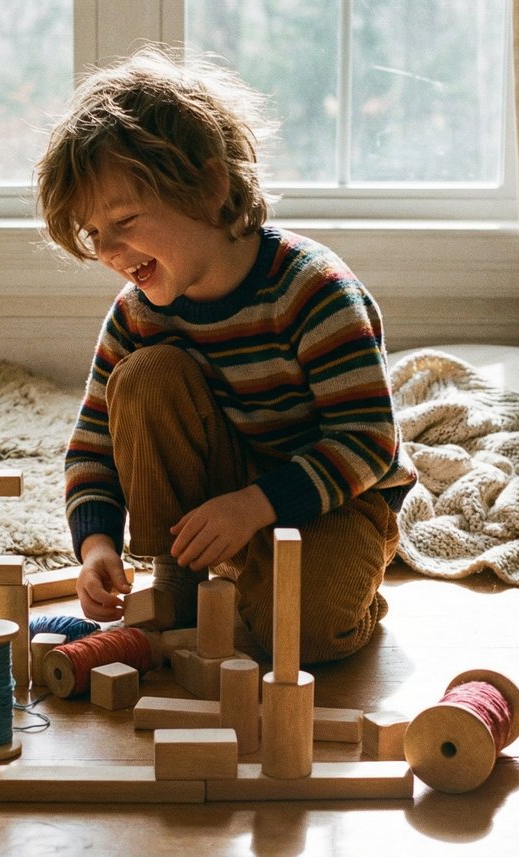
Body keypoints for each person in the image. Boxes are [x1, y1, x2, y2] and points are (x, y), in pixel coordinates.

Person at [34, 47, 417, 665]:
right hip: (224, 489)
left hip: (336, 501)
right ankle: (178, 576)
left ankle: (339, 594)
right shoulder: (138, 312)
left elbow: (370, 441)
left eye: (124, 219)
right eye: (92, 233)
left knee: (303, 639)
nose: (106, 249)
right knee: (146, 377)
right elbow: (94, 442)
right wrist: (97, 545)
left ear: (210, 188)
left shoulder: (313, 288)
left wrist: (256, 508)